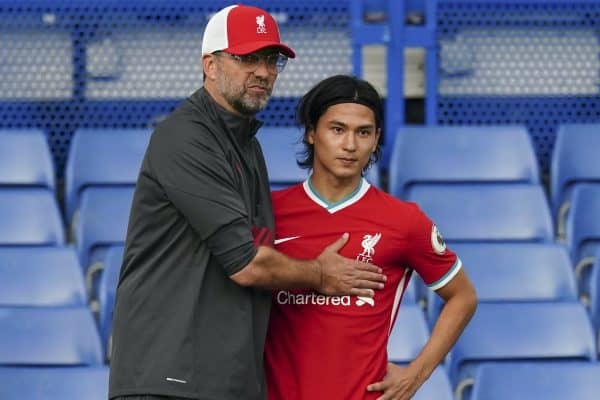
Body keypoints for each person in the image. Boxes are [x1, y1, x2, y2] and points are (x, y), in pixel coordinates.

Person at [108, 6, 385, 400]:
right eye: (246, 58)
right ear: (210, 65)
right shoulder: (186, 137)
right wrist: (321, 276)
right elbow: (246, 263)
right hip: (170, 381)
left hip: (223, 381)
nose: (263, 71)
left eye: (271, 60)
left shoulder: (245, 144)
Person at [264, 75, 478, 400]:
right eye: (337, 129)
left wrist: (415, 375)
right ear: (311, 133)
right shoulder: (268, 213)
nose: (350, 145)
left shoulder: (403, 221)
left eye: (363, 132)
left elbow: (463, 296)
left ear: (376, 138)